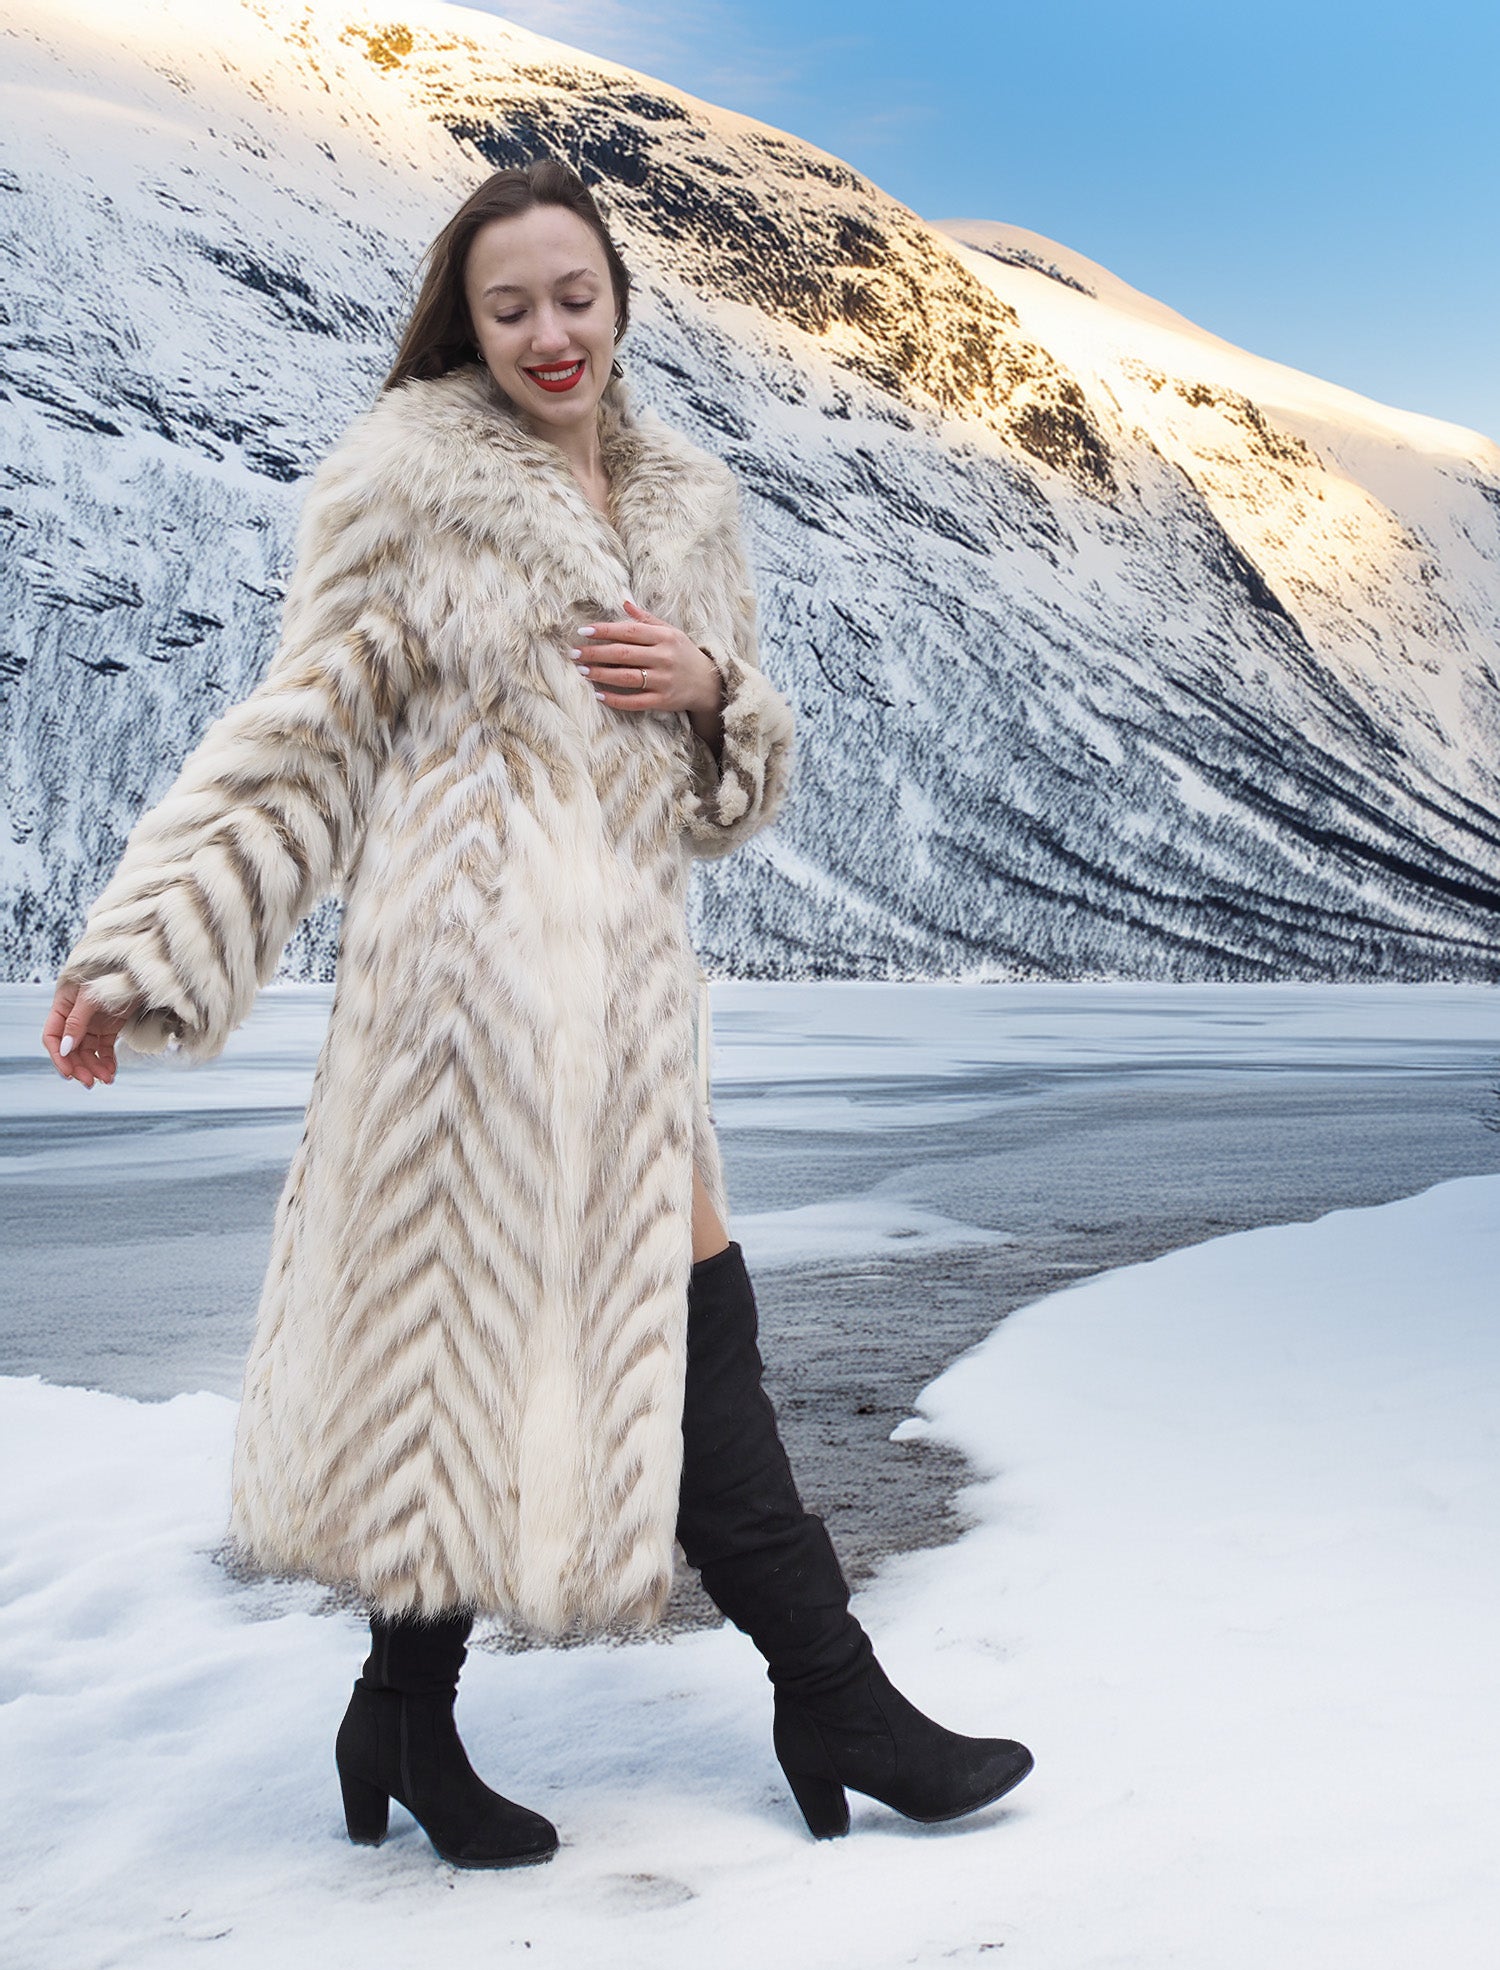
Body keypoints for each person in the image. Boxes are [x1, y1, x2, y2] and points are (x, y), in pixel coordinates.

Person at [42, 158, 1033, 1867]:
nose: (549, 333)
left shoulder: (690, 511)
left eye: (575, 297)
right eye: (511, 307)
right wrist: (149, 948)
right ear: (468, 322)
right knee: (475, 1342)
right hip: (463, 1008)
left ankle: (424, 1714)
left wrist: (720, 694)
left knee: (646, 1315)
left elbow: (718, 809)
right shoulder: (405, 496)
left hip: (636, 1011)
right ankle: (820, 1694)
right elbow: (305, 738)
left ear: (620, 301)